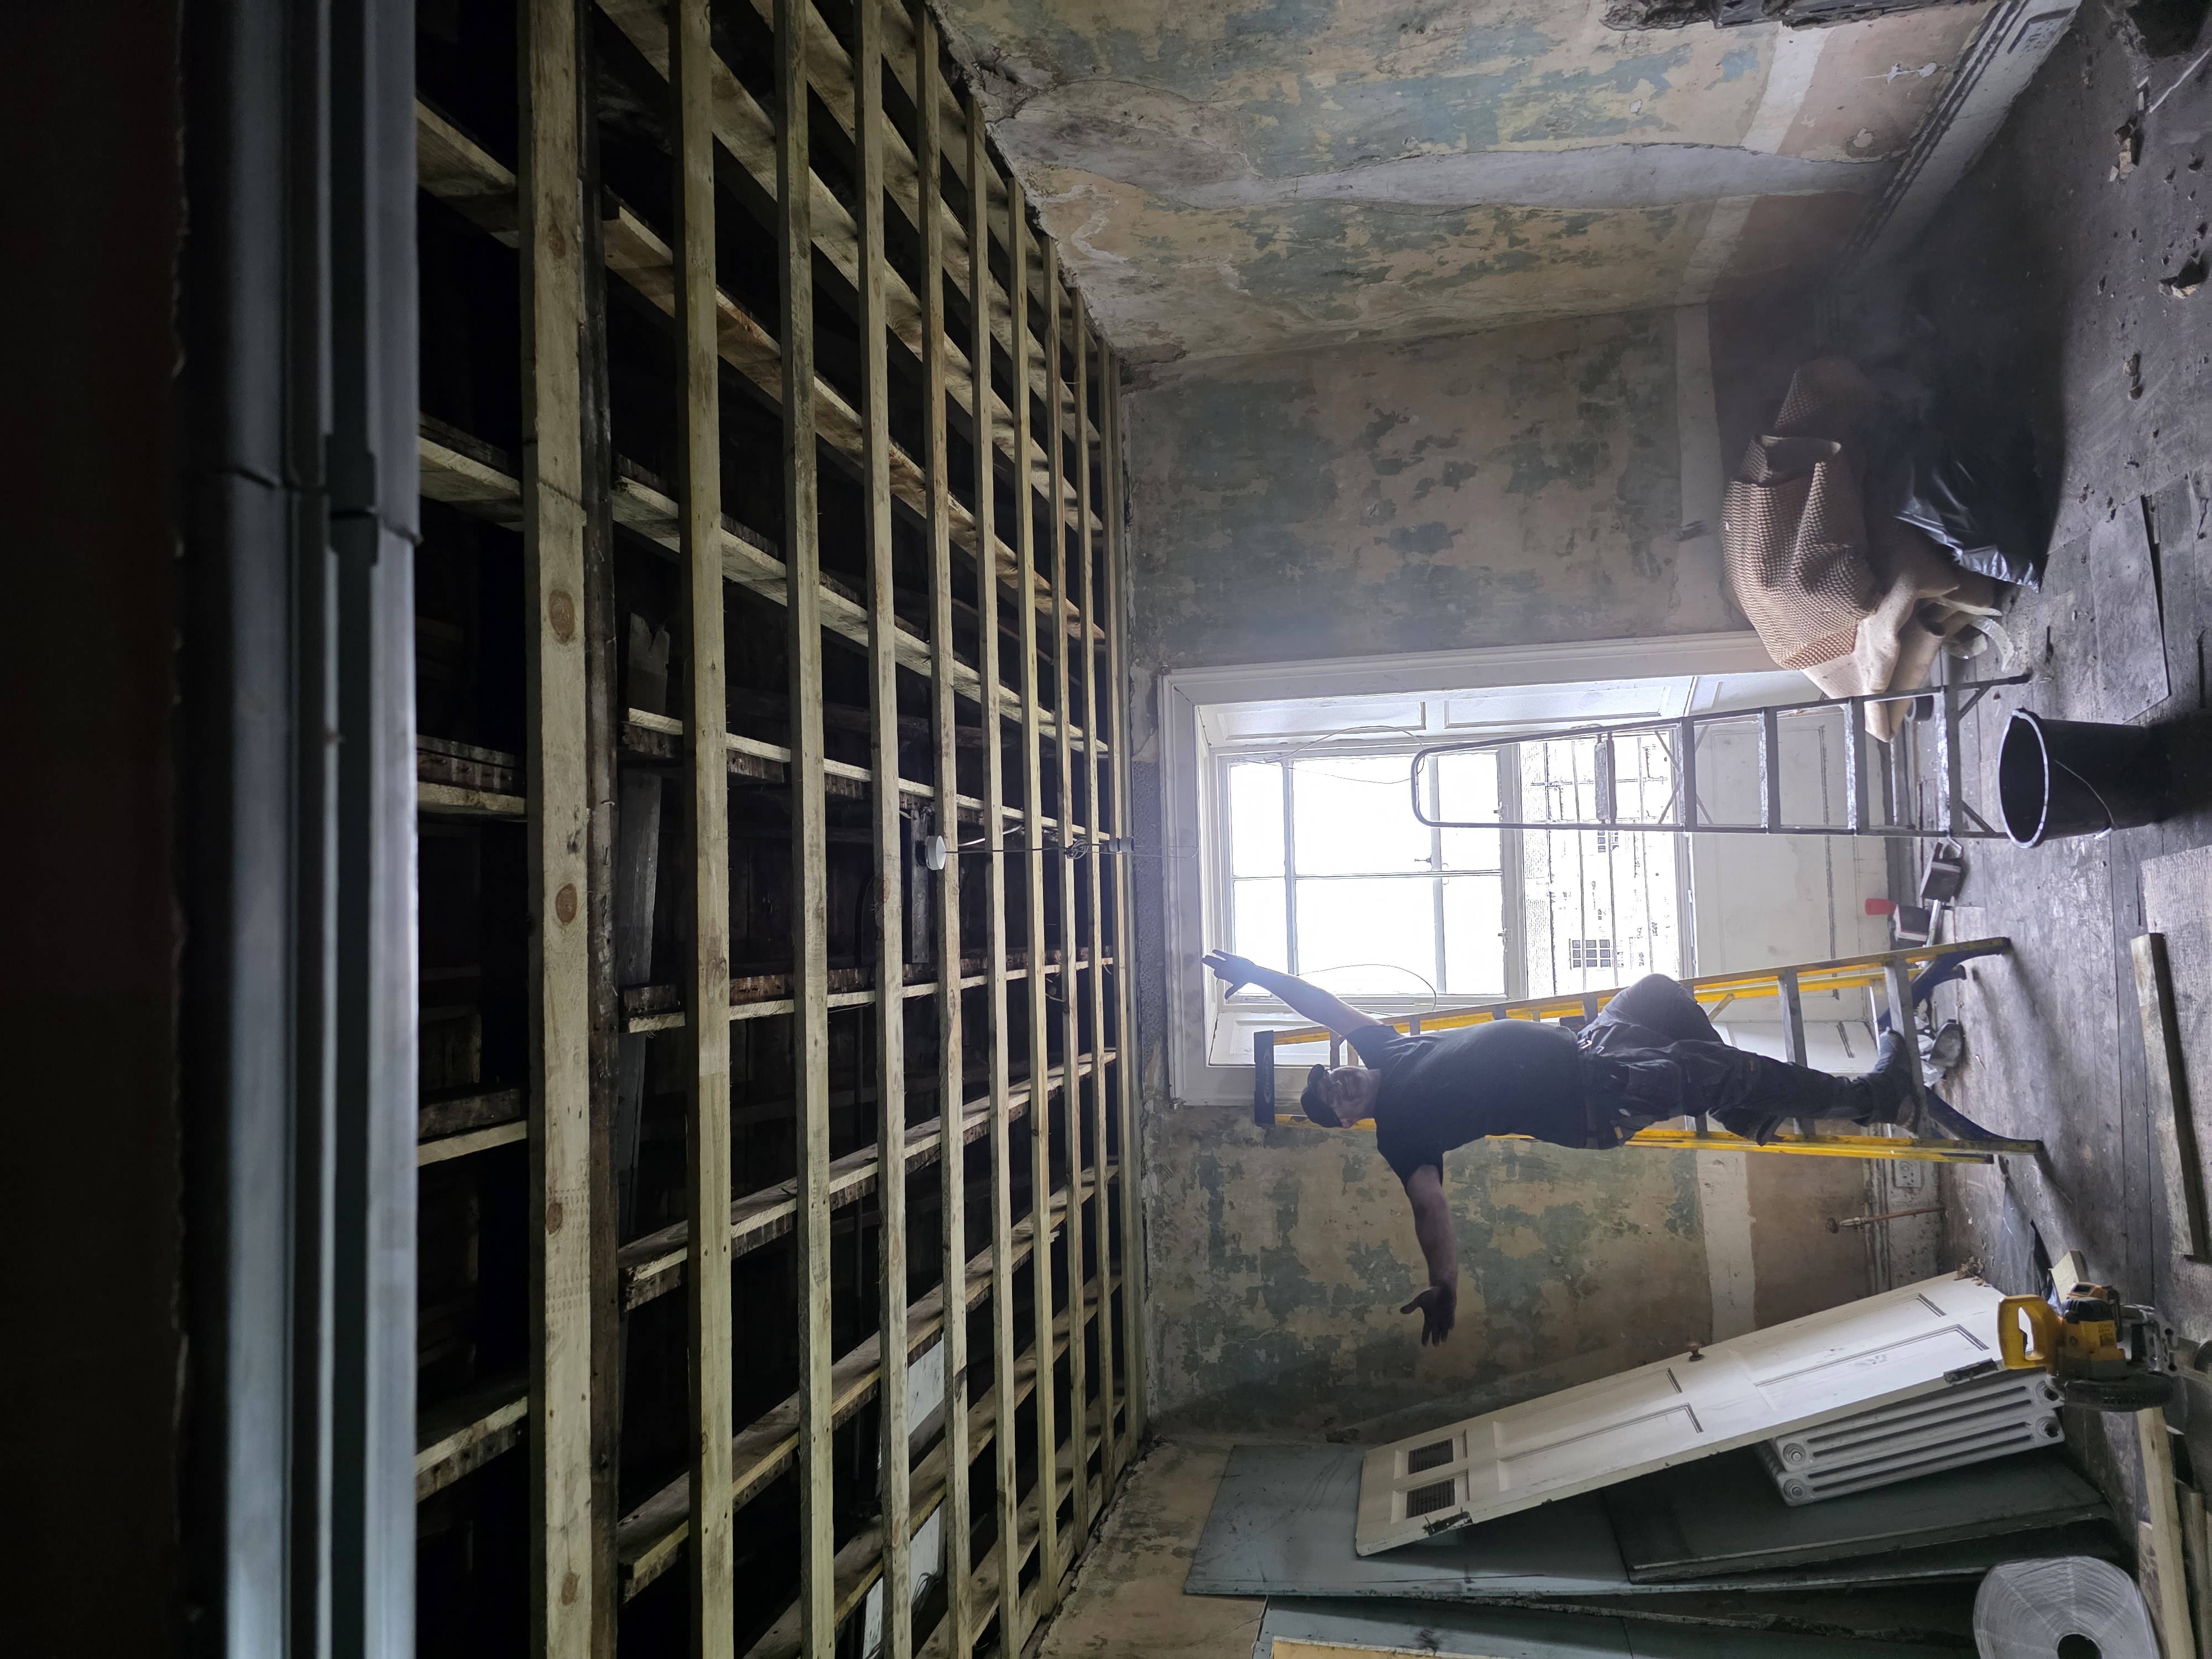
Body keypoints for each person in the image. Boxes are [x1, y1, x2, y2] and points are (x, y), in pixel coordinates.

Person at [1201, 951, 1918, 1348]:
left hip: (1592, 1049)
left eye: (1332, 1077)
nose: (1340, 1084)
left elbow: (1323, 1004)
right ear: (1348, 1119)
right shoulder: (1402, 1136)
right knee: (1733, 1072)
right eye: (1335, 1098)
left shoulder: (1383, 1047)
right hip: (1597, 1098)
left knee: (1657, 993)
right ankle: (1877, 1099)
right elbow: (1429, 1208)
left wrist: (1258, 975)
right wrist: (1445, 1283)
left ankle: (1748, 1115)